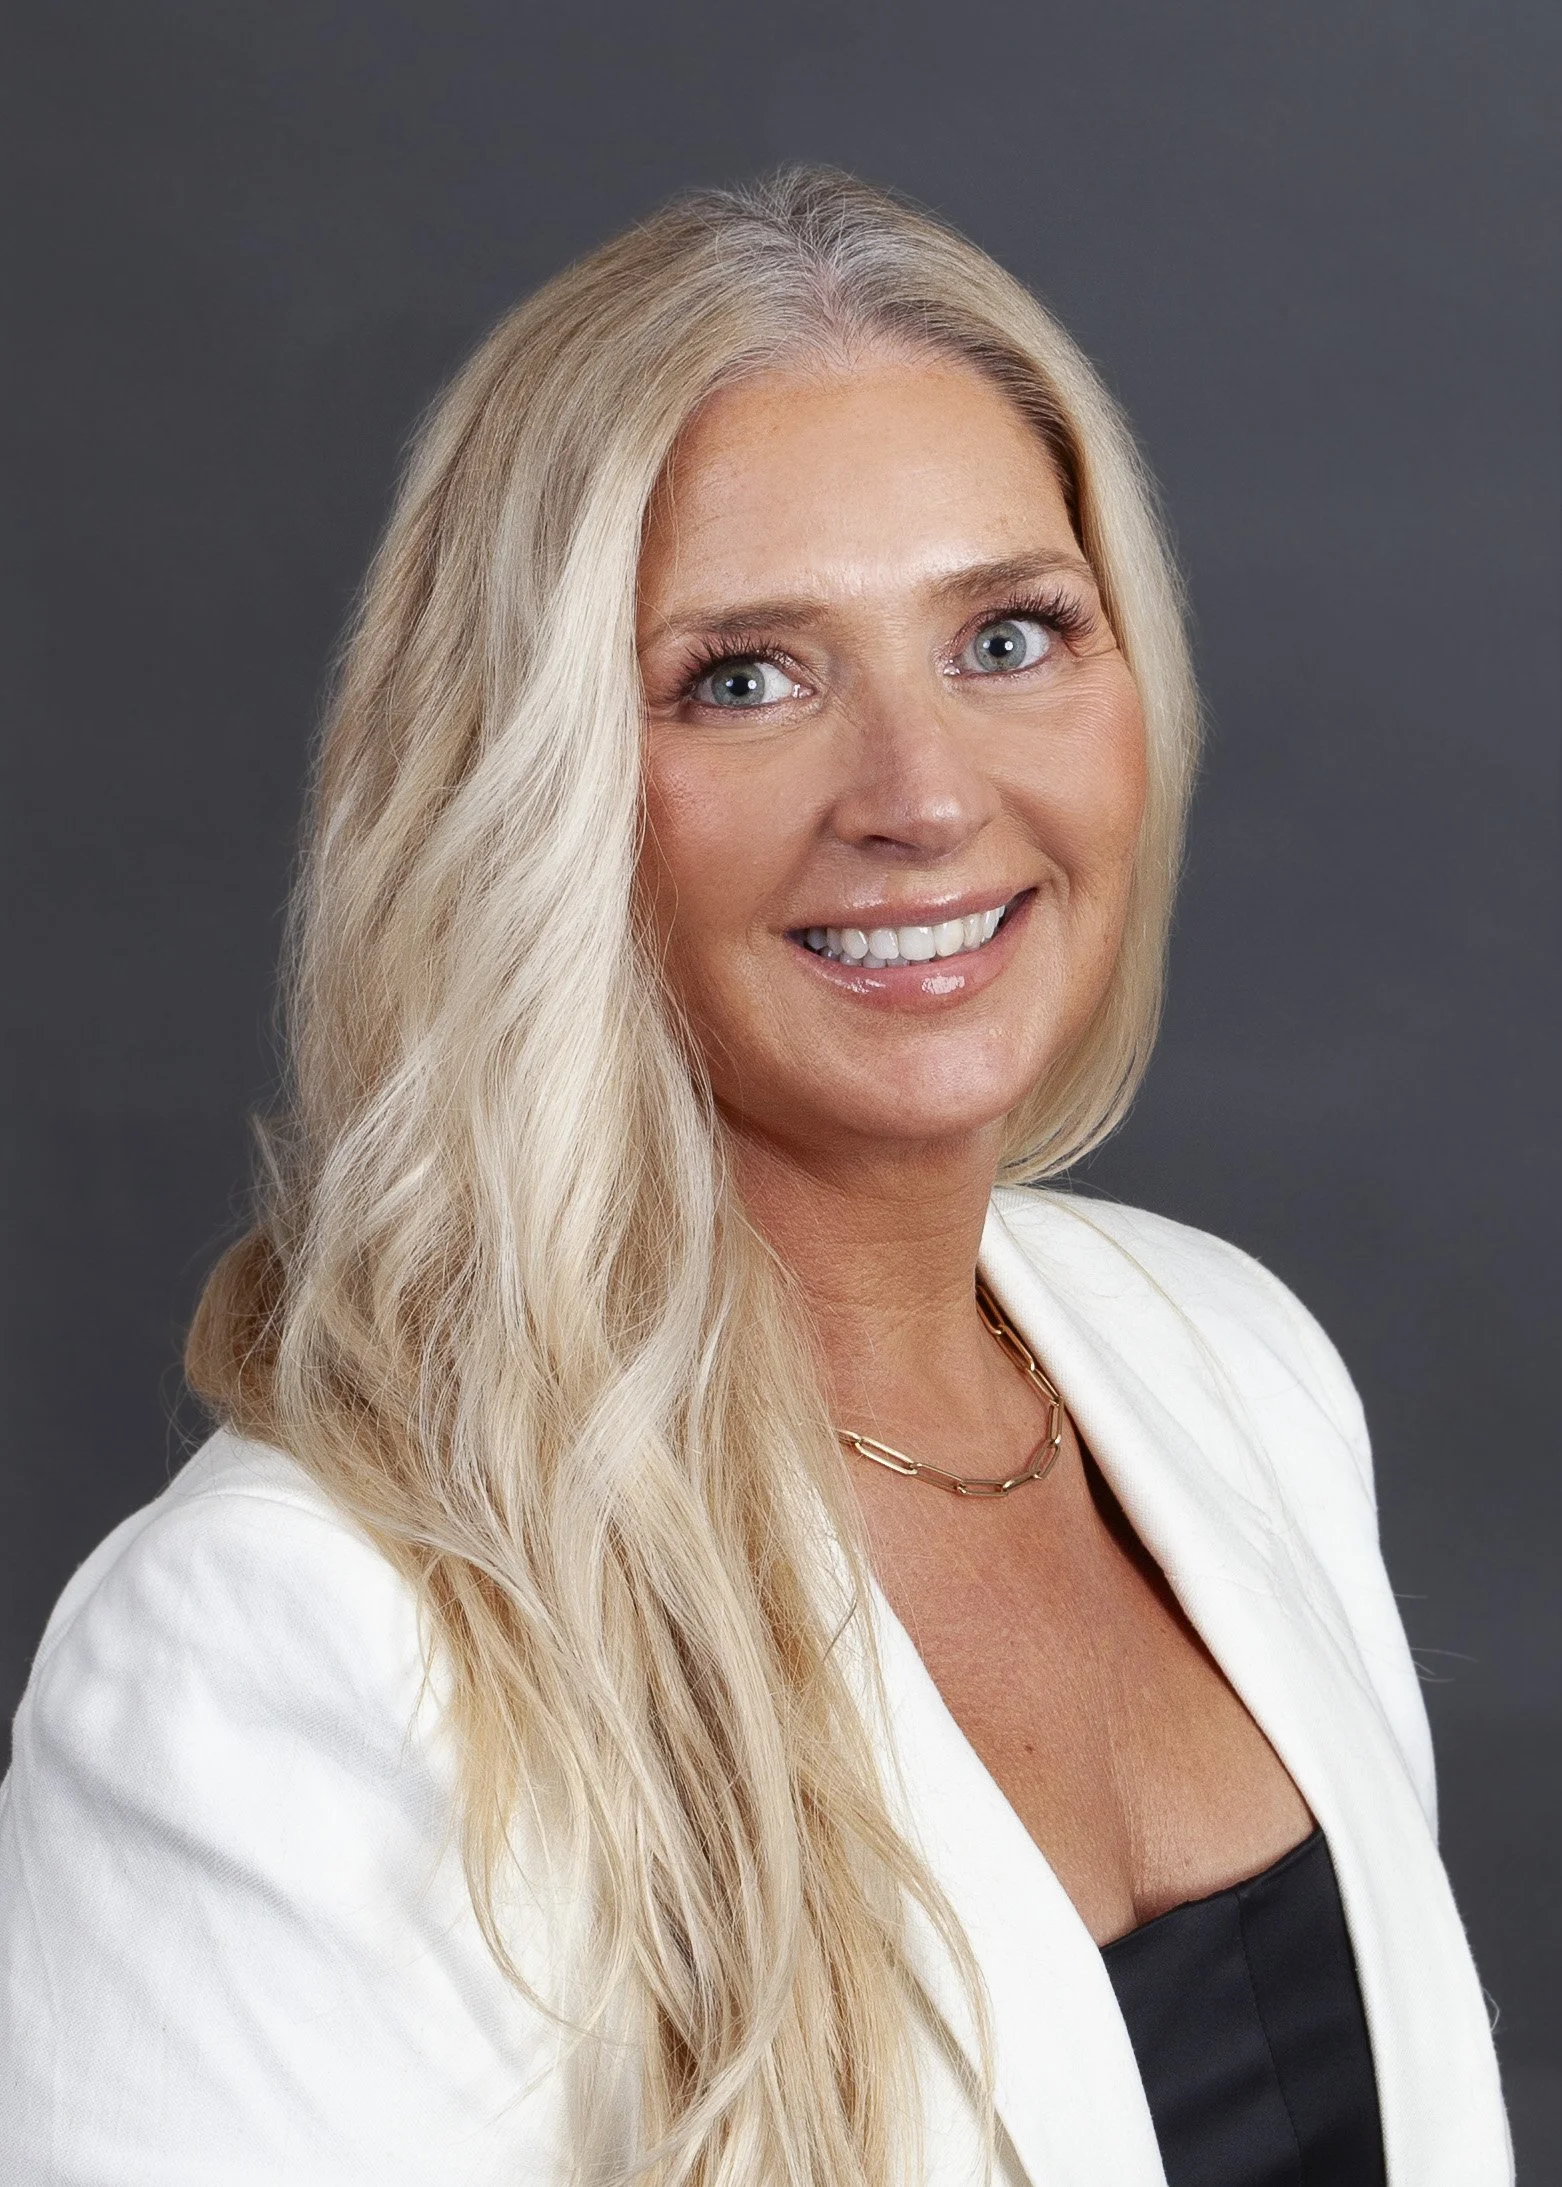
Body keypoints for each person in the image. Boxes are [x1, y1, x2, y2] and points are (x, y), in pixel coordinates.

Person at [0, 168, 1511, 2187]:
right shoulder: (285, 1649)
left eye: (1008, 632)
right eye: (745, 677)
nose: (921, 794)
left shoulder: (1222, 1361)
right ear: (526, 789)